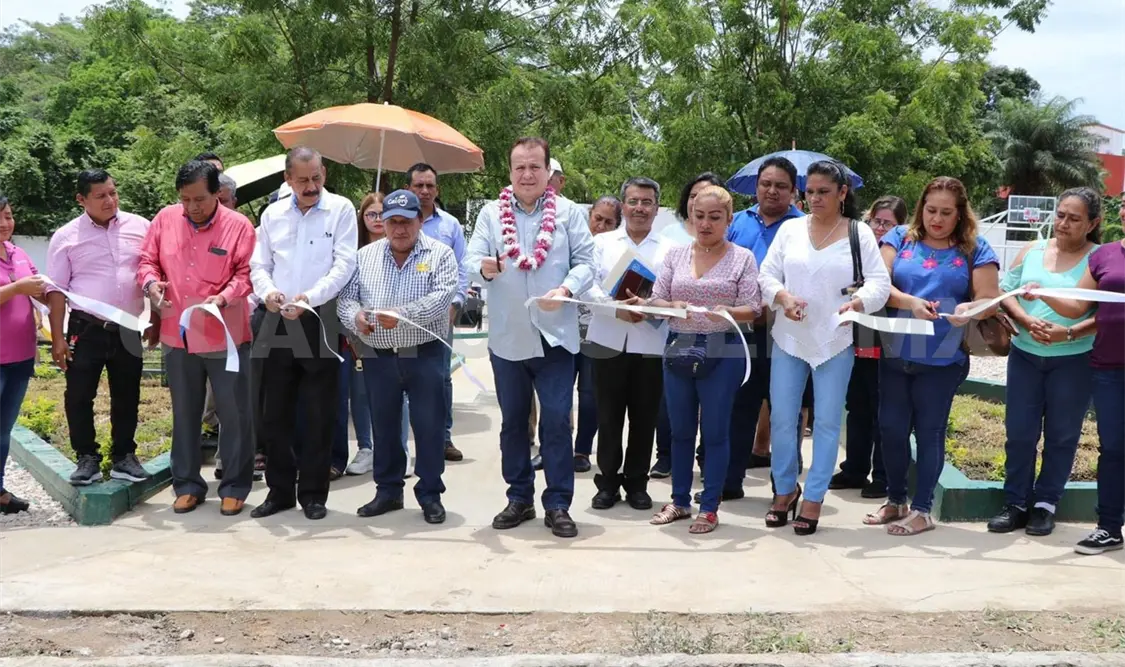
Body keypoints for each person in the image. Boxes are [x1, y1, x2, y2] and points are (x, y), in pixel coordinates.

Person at [465, 136, 595, 539]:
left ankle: (558, 504)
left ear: (548, 171)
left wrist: (567, 289)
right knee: (514, 424)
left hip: (555, 337)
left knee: (556, 421)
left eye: (534, 166)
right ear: (509, 171)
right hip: (508, 338)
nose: (526, 174)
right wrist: (484, 268)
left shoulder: (569, 213)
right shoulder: (491, 214)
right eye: (519, 167)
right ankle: (519, 497)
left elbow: (587, 262)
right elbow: (470, 261)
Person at [758, 160, 890, 536]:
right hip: (789, 337)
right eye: (810, 191)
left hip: (835, 339)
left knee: (828, 422)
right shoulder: (790, 229)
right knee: (783, 419)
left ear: (842, 193)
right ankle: (785, 490)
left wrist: (859, 303)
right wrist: (783, 297)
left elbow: (879, 283)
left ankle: (814, 496)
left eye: (824, 192)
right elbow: (766, 275)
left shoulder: (859, 233)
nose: (815, 198)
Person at [870, 176, 1000, 536]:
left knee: (929, 432)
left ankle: (923, 510)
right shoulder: (899, 238)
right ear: (920, 208)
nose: (937, 219)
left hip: (943, 358)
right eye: (930, 210)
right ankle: (896, 500)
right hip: (896, 351)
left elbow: (990, 299)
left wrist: (970, 309)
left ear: (960, 214)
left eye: (946, 212)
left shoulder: (976, 248)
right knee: (891, 429)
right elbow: (879, 286)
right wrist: (909, 302)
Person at [137, 160, 256, 516]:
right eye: (185, 199)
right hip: (178, 335)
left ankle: (234, 486)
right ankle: (187, 485)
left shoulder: (238, 226)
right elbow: (147, 261)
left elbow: (247, 274)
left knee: (234, 414)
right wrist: (150, 284)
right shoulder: (164, 219)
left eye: (200, 199)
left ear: (217, 193)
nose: (192, 207)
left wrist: (224, 297)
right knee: (185, 413)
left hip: (225, 336)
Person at [985, 187, 1101, 537]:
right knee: (1019, 433)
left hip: (1074, 360)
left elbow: (1096, 312)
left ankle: (1046, 504)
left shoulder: (1098, 258)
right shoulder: (1032, 250)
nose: (1063, 223)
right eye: (1060, 215)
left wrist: (1068, 333)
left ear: (1092, 223)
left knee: (1062, 436)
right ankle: (1016, 503)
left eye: (1074, 219)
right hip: (1025, 356)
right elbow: (1005, 292)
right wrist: (1024, 319)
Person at [645, 185, 761, 533]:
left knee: (715, 431)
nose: (706, 224)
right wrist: (671, 306)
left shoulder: (742, 258)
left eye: (715, 217)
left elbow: (753, 307)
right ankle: (679, 500)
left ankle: (709, 506)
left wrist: (729, 311)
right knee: (680, 429)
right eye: (699, 216)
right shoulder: (676, 255)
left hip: (723, 348)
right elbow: (655, 299)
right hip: (680, 346)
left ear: (729, 219)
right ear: (690, 217)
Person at [249, 147, 357, 521]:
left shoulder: (341, 209)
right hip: (276, 318)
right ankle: (279, 492)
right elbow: (259, 265)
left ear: (324, 172)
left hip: (318, 317)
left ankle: (313, 495)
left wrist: (310, 298)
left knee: (318, 412)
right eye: (302, 180)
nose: (311, 187)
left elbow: (344, 264)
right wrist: (268, 293)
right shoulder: (272, 214)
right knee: (274, 412)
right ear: (288, 180)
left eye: (316, 178)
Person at [338, 189, 458, 524]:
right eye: (392, 222)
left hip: (424, 352)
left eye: (406, 221)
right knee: (385, 424)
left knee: (429, 425)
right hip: (378, 354)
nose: (399, 229)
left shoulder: (440, 254)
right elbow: (346, 299)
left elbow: (441, 297)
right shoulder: (365, 257)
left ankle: (430, 493)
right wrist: (355, 317)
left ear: (420, 220)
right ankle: (388, 490)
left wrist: (402, 315)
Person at [1025, 204, 1125, 556]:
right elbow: (1077, 306)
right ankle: (1109, 528)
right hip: (1110, 368)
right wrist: (1042, 292)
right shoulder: (1106, 256)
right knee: (1113, 450)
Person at [46, 169, 154, 487]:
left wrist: (156, 319)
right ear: (81, 199)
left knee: (128, 394)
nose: (110, 200)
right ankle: (86, 458)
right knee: (79, 394)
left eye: (113, 192)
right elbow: (55, 291)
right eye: (101, 196)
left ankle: (124, 456)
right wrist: (57, 338)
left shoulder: (140, 227)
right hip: (86, 328)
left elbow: (152, 274)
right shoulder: (66, 237)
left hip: (128, 327)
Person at [722, 156, 808, 500]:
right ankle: (729, 482)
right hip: (741, 331)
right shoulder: (737, 222)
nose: (772, 191)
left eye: (781, 186)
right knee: (736, 407)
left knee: (786, 412)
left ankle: (784, 490)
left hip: (787, 332)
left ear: (794, 190)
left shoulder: (804, 227)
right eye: (766, 184)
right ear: (756, 186)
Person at [582, 179, 671, 510]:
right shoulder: (601, 243)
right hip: (606, 339)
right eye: (633, 201)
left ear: (656, 208)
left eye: (647, 202)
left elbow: (672, 293)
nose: (639, 208)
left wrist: (649, 309)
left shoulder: (670, 249)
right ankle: (607, 482)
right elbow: (586, 287)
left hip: (650, 342)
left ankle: (637, 483)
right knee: (607, 416)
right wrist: (615, 309)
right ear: (623, 206)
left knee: (644, 417)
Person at [829, 195, 908, 499]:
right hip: (855, 336)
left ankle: (883, 476)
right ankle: (854, 469)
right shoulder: (856, 247)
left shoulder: (902, 255)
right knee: (857, 405)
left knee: (882, 409)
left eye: (888, 224)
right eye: (877, 221)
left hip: (886, 338)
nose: (880, 228)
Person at [339, 193, 413, 477]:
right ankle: (366, 448)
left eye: (384, 214)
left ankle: (401, 450)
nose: (378, 220)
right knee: (360, 392)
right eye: (372, 214)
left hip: (399, 333)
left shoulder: (404, 246)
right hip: (361, 331)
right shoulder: (355, 251)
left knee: (399, 394)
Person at [408, 163, 468, 463]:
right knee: (399, 378)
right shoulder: (396, 221)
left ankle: (443, 439)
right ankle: (401, 442)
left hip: (440, 317)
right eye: (418, 185)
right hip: (400, 317)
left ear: (437, 190)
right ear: (408, 188)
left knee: (440, 378)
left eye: (429, 185)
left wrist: (455, 303)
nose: (424, 191)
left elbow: (463, 268)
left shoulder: (450, 226)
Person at [0, 195, 45, 514]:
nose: (5, 223)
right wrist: (17, 289)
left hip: (20, 357)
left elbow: (39, 287)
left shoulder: (18, 253)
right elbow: (21, 288)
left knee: (3, 429)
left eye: (8, 215)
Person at [573, 195, 622, 474]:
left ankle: (581, 450)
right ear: (589, 215)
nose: (601, 226)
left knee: (590, 395)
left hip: (598, 333)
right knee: (557, 395)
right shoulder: (572, 243)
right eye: (598, 219)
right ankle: (550, 449)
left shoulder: (616, 252)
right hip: (566, 331)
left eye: (609, 222)